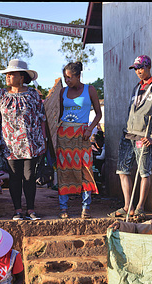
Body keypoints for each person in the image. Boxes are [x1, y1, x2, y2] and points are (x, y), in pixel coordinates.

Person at [109, 55, 152, 220]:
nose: (138, 71)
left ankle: (140, 207)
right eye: (136, 68)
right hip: (128, 133)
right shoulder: (137, 87)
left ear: (148, 67)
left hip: (144, 135)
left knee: (144, 172)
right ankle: (129, 206)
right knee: (122, 170)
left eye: (141, 68)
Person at [0, 59, 47, 221]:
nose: (8, 77)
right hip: (10, 144)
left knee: (29, 176)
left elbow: (42, 117)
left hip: (31, 143)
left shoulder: (33, 95)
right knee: (14, 177)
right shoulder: (2, 95)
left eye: (11, 74)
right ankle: (17, 210)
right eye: (7, 74)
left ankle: (31, 210)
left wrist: (44, 139)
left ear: (22, 77)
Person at [57, 61, 102, 219]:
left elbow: (98, 114)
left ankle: (85, 207)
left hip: (83, 135)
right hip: (64, 136)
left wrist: (90, 129)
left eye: (69, 77)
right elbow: (60, 115)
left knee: (85, 170)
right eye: (65, 78)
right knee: (64, 170)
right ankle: (63, 208)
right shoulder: (63, 92)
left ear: (78, 76)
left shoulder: (89, 90)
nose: (67, 80)